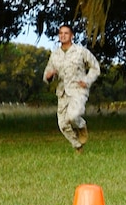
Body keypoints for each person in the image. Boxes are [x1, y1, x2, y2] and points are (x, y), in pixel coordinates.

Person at [43, 24, 101, 152]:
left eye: (66, 33)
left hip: (78, 90)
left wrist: (87, 80)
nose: (63, 36)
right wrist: (49, 76)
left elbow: (95, 67)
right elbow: (47, 75)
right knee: (63, 124)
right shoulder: (55, 55)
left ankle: (81, 125)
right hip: (62, 92)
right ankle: (78, 146)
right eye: (61, 33)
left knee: (73, 116)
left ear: (72, 36)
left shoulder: (80, 51)